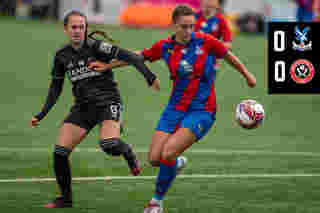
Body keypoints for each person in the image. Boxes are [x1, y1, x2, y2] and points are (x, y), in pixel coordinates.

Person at [88, 4, 256, 213]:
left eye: (192, 26)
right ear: (174, 25)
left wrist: (247, 75)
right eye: (184, 27)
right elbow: (138, 56)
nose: (188, 31)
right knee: (155, 159)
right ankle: (175, 164)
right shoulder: (165, 47)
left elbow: (229, 56)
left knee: (167, 153)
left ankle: (156, 202)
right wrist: (107, 65)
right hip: (174, 109)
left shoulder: (206, 42)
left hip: (201, 111)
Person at [30, 10, 160, 208]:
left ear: (86, 29)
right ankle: (66, 199)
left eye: (81, 27)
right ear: (65, 29)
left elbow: (131, 56)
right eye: (73, 27)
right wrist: (41, 114)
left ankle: (127, 152)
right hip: (83, 108)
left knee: (109, 145)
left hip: (108, 103)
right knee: (59, 152)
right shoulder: (61, 56)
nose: (78, 31)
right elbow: (56, 88)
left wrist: (149, 77)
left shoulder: (98, 47)